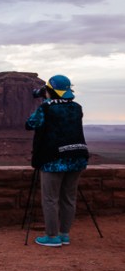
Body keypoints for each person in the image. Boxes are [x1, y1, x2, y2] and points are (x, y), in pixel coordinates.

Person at [25, 75, 89, 247]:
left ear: (50, 91)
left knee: (50, 199)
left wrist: (44, 100)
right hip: (77, 157)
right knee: (69, 198)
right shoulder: (77, 107)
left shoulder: (46, 107)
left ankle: (51, 237)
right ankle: (64, 235)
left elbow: (30, 124)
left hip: (53, 159)